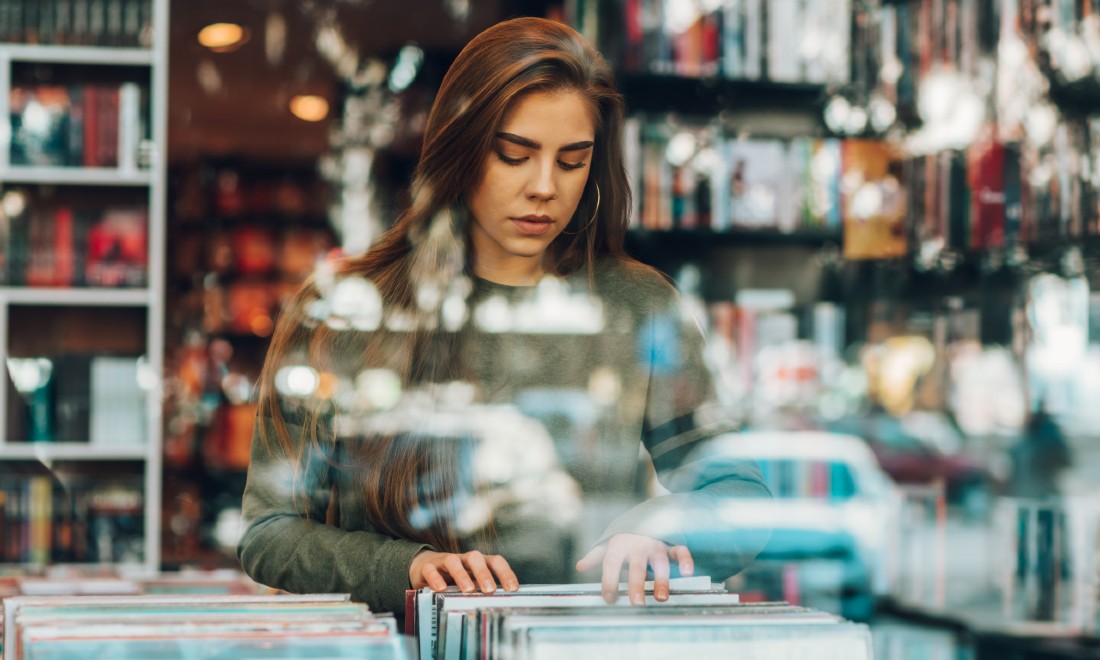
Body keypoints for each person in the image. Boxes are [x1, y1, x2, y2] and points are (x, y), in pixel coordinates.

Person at [237, 16, 770, 617]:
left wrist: (665, 526)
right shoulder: (345, 309)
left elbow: (738, 493)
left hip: (576, 649)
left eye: (572, 162)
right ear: (460, 151)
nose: (544, 187)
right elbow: (269, 533)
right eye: (514, 155)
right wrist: (404, 567)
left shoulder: (638, 306)